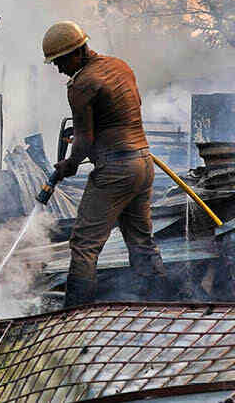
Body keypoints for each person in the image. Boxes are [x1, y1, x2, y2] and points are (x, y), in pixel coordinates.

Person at [42, 20, 169, 308]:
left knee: (84, 246)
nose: (60, 69)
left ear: (77, 52)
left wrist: (69, 165)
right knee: (141, 241)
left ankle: (74, 317)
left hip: (116, 170)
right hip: (143, 164)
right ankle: (162, 304)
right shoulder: (120, 66)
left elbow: (84, 141)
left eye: (60, 62)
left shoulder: (81, 85)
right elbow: (123, 111)